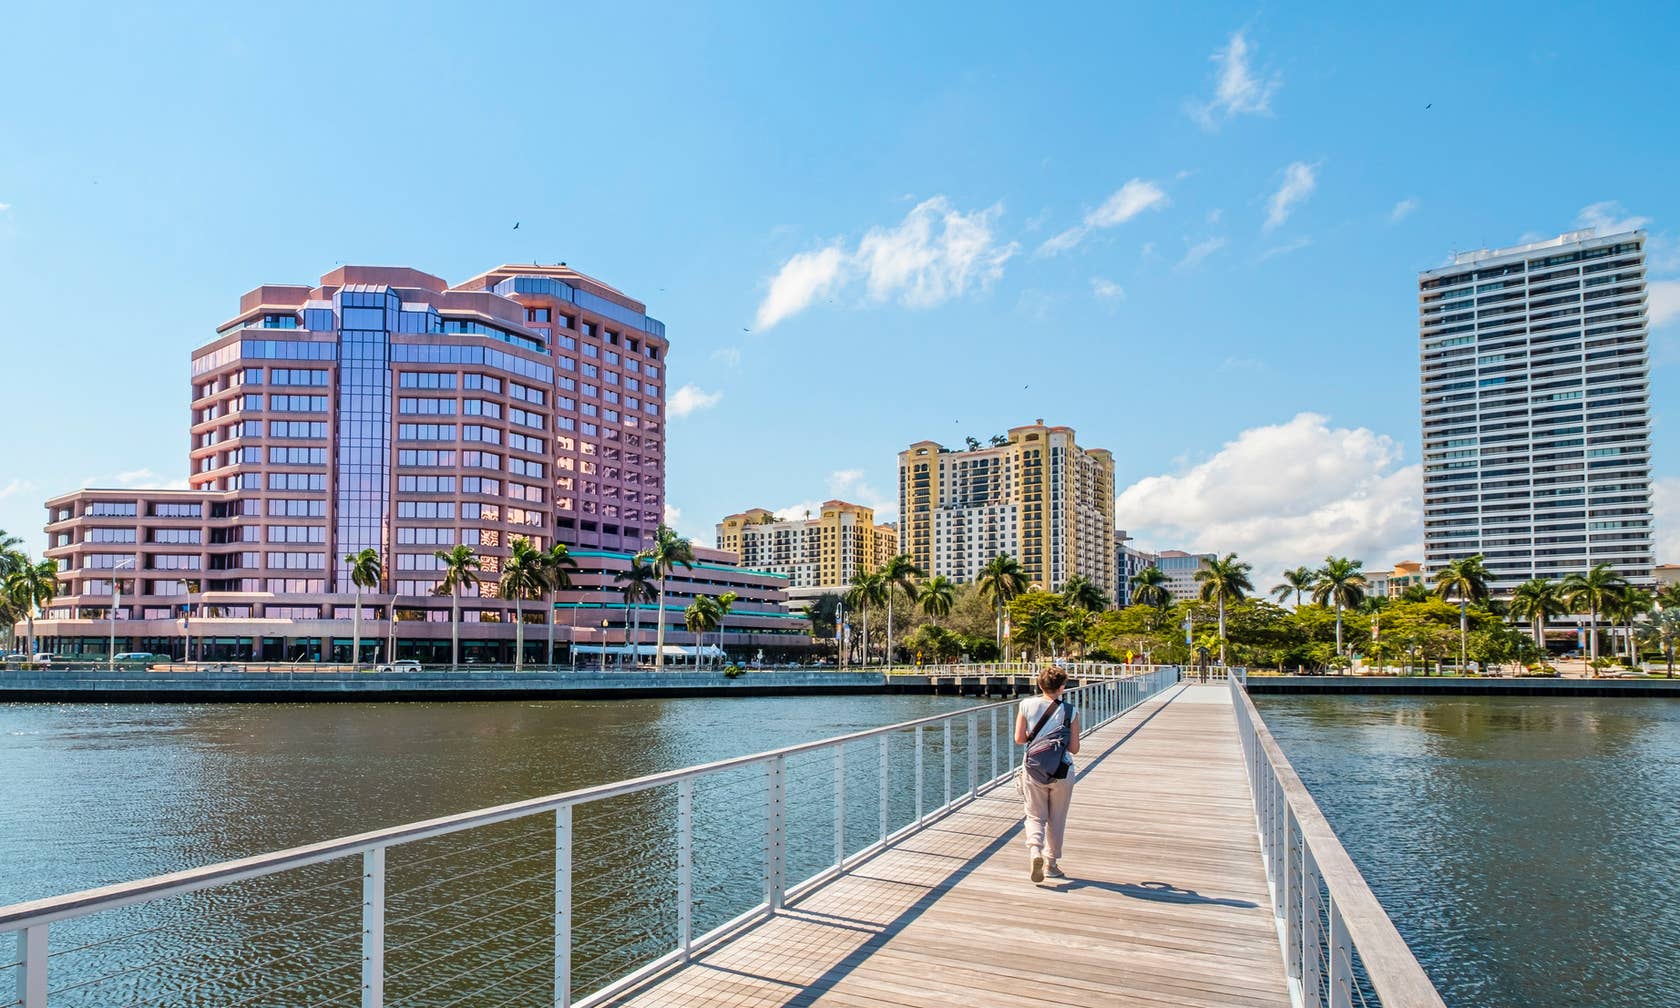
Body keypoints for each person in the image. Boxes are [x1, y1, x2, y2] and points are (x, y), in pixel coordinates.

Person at [1015, 665, 1080, 883]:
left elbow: (1020, 739)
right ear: (1062, 687)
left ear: (1039, 685)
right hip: (1062, 771)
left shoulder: (1026, 705)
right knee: (1056, 818)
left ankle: (1035, 851)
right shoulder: (1070, 711)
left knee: (1034, 815)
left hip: (1033, 770)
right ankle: (1051, 864)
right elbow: (1074, 748)